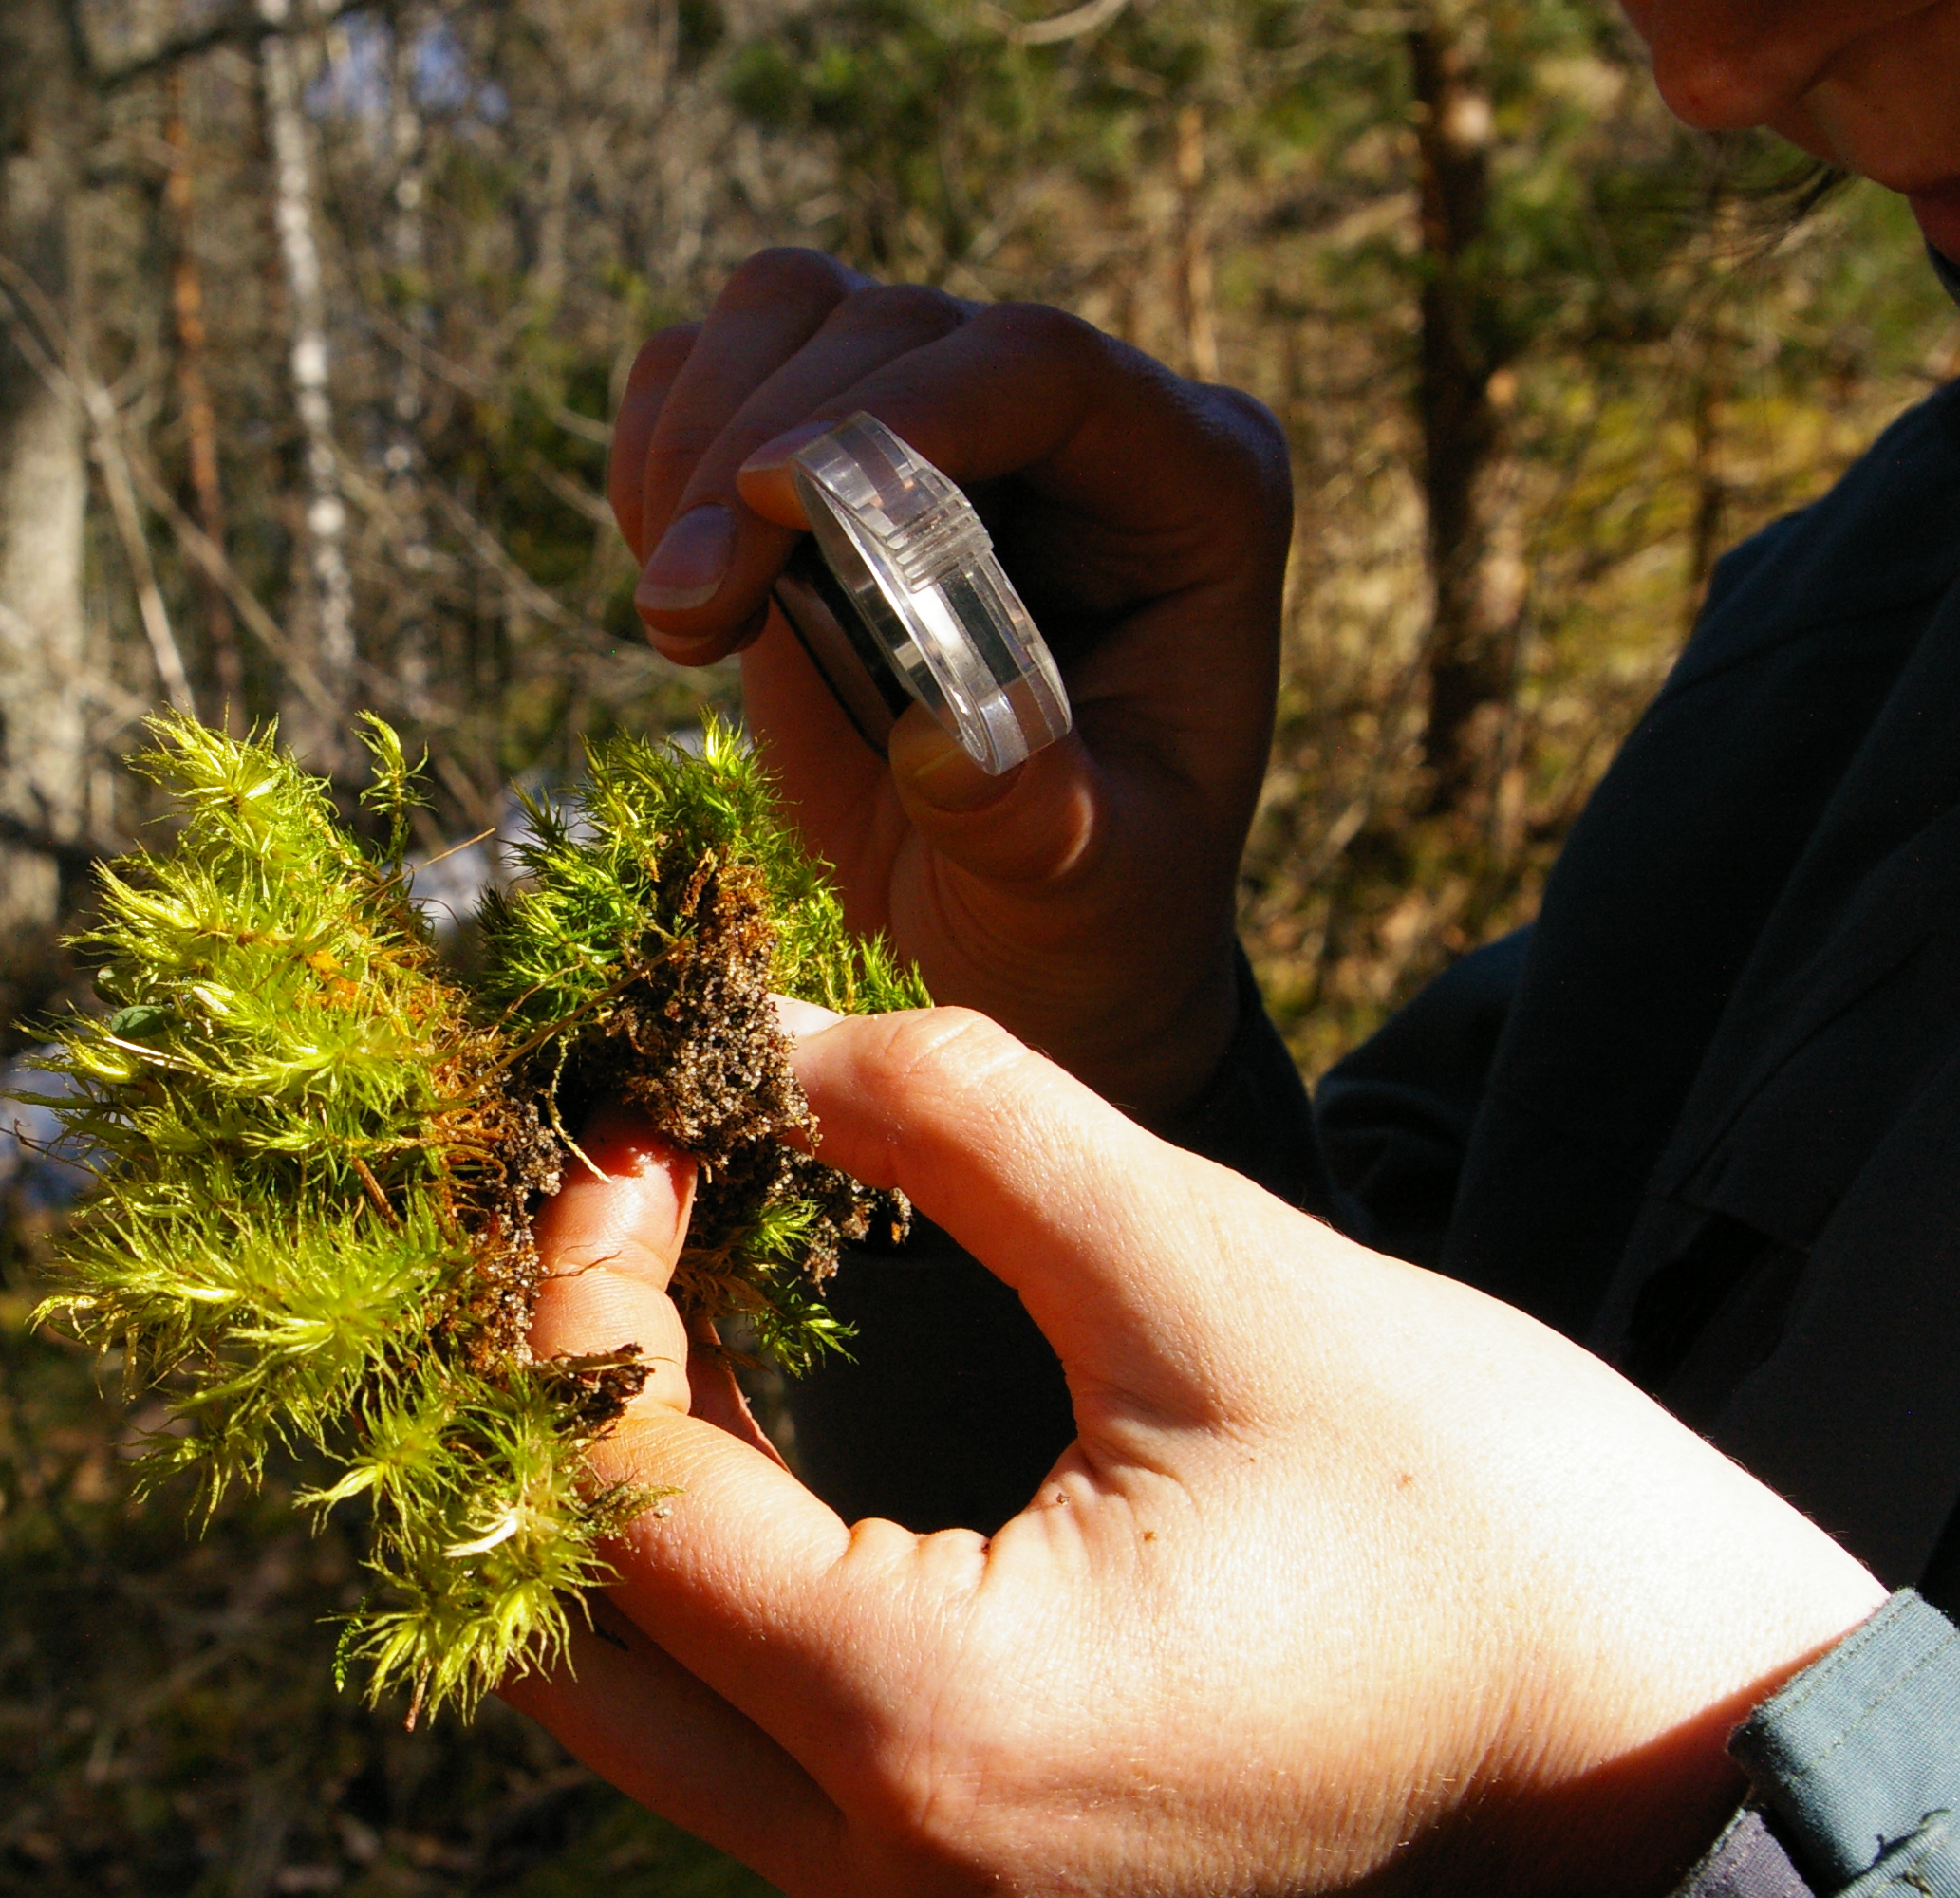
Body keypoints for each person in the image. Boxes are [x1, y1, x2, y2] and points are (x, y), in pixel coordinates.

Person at [498, 0, 1960, 1890]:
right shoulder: (1836, 636)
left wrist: (1695, 1800)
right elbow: (1428, 1423)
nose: (1710, 73)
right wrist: (1083, 1035)